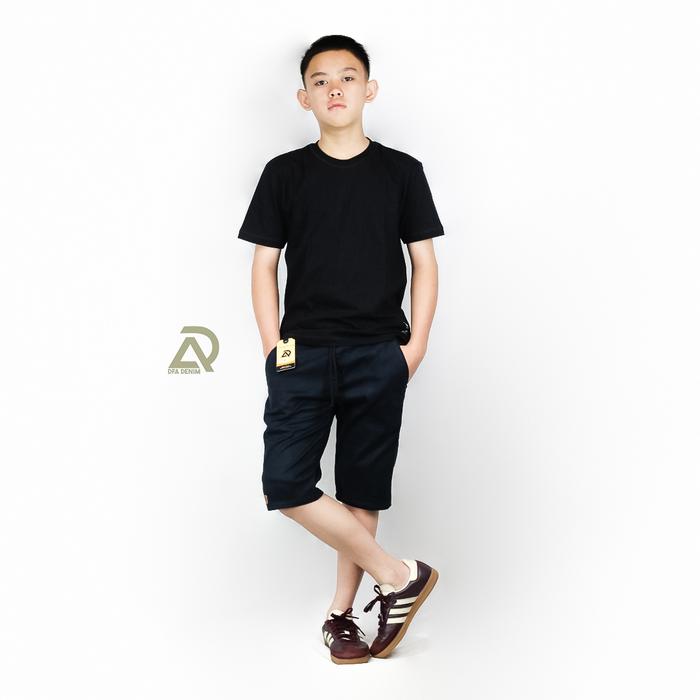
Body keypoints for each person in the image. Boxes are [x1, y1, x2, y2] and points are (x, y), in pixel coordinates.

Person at [238, 34, 444, 663]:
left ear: (368, 90)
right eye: (320, 80)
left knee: (361, 488)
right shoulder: (284, 173)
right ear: (304, 97)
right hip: (301, 354)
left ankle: (342, 616)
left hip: (379, 353)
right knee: (285, 483)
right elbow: (264, 266)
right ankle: (398, 576)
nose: (335, 88)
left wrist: (415, 348)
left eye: (348, 77)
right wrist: (273, 349)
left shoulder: (402, 172)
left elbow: (425, 262)